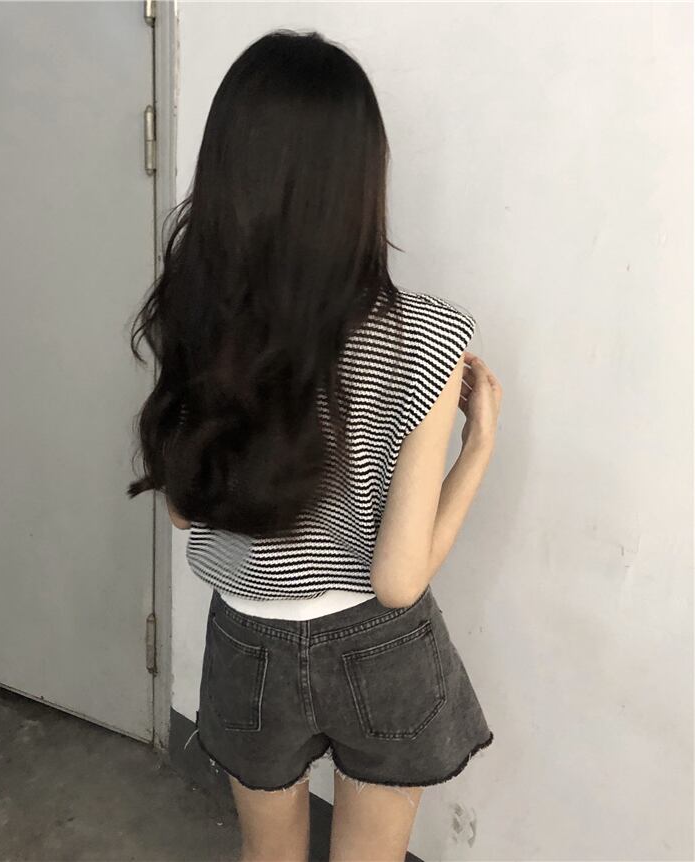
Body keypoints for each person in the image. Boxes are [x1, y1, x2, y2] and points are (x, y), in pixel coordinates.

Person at [128, 28, 502, 862]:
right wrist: (477, 449)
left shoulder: (197, 320)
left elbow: (185, 515)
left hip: (247, 647)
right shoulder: (427, 340)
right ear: (359, 182)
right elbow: (398, 582)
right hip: (379, 649)